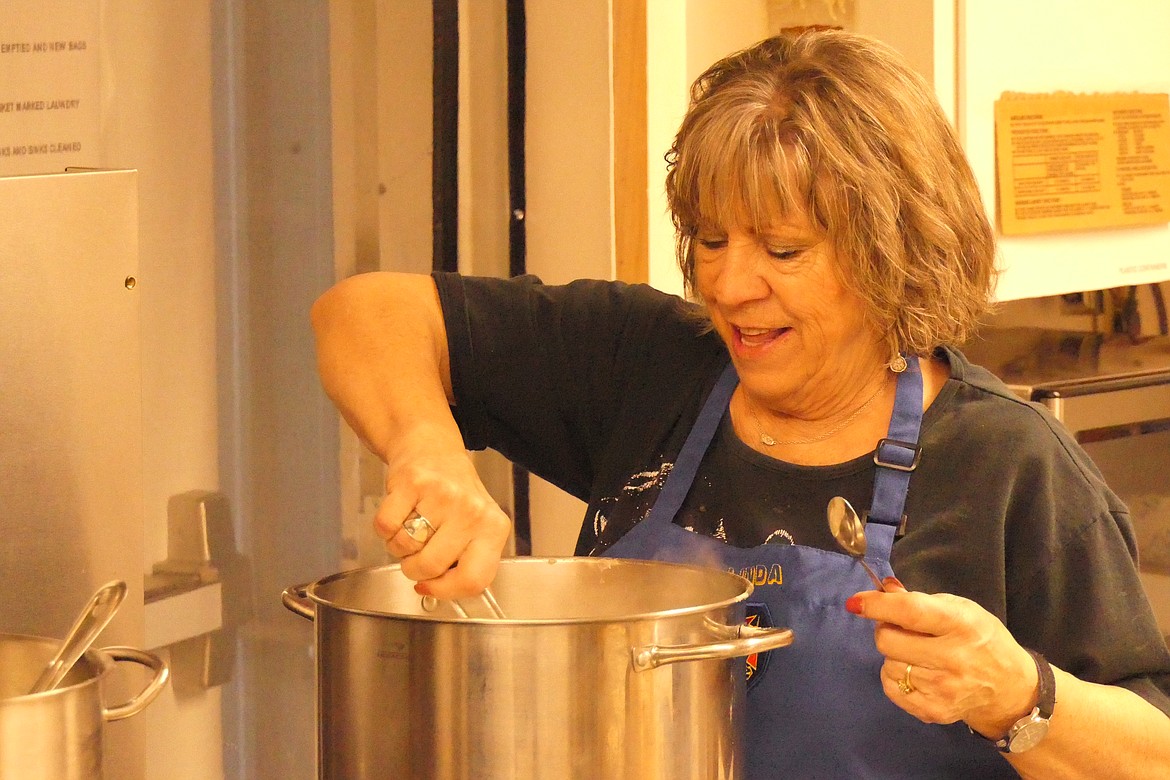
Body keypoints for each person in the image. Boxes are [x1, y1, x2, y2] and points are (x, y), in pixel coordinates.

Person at [311, 29, 1170, 779]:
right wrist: (427, 447)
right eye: (711, 239)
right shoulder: (648, 369)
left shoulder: (1009, 466)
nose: (728, 283)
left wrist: (1022, 697)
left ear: (890, 251)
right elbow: (364, 313)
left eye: (783, 249)